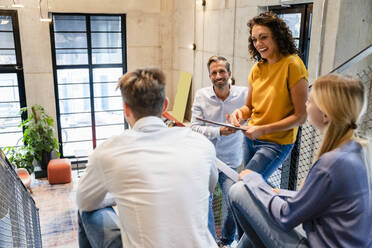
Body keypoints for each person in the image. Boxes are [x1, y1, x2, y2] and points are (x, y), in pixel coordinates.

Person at [76, 68, 219, 248]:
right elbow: (211, 185)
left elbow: (84, 201)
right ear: (165, 105)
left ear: (126, 109)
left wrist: (121, 192)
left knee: (86, 210)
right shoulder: (200, 143)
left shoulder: (108, 151)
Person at [229, 74, 372, 247]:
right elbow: (313, 199)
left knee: (238, 190)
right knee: (259, 204)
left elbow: (286, 216)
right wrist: (273, 192)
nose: (306, 104)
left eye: (310, 101)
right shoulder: (355, 151)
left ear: (325, 115)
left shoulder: (330, 164)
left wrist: (255, 180)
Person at [230, 12, 308, 180]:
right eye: (254, 39)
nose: (258, 44)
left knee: (243, 185)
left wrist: (262, 130)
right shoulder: (257, 68)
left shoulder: (292, 65)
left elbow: (301, 117)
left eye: (263, 37)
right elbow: (249, 108)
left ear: (277, 36)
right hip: (250, 139)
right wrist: (240, 113)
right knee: (251, 191)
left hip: (276, 143)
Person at [191, 56, 248, 247]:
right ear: (210, 76)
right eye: (214, 72)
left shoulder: (244, 95)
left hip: (231, 161)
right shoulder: (201, 95)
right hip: (206, 160)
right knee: (203, 202)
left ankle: (225, 241)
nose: (218, 75)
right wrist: (219, 131)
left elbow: (253, 118)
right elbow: (194, 127)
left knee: (234, 201)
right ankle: (208, 242)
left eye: (222, 71)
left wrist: (241, 125)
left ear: (229, 74)